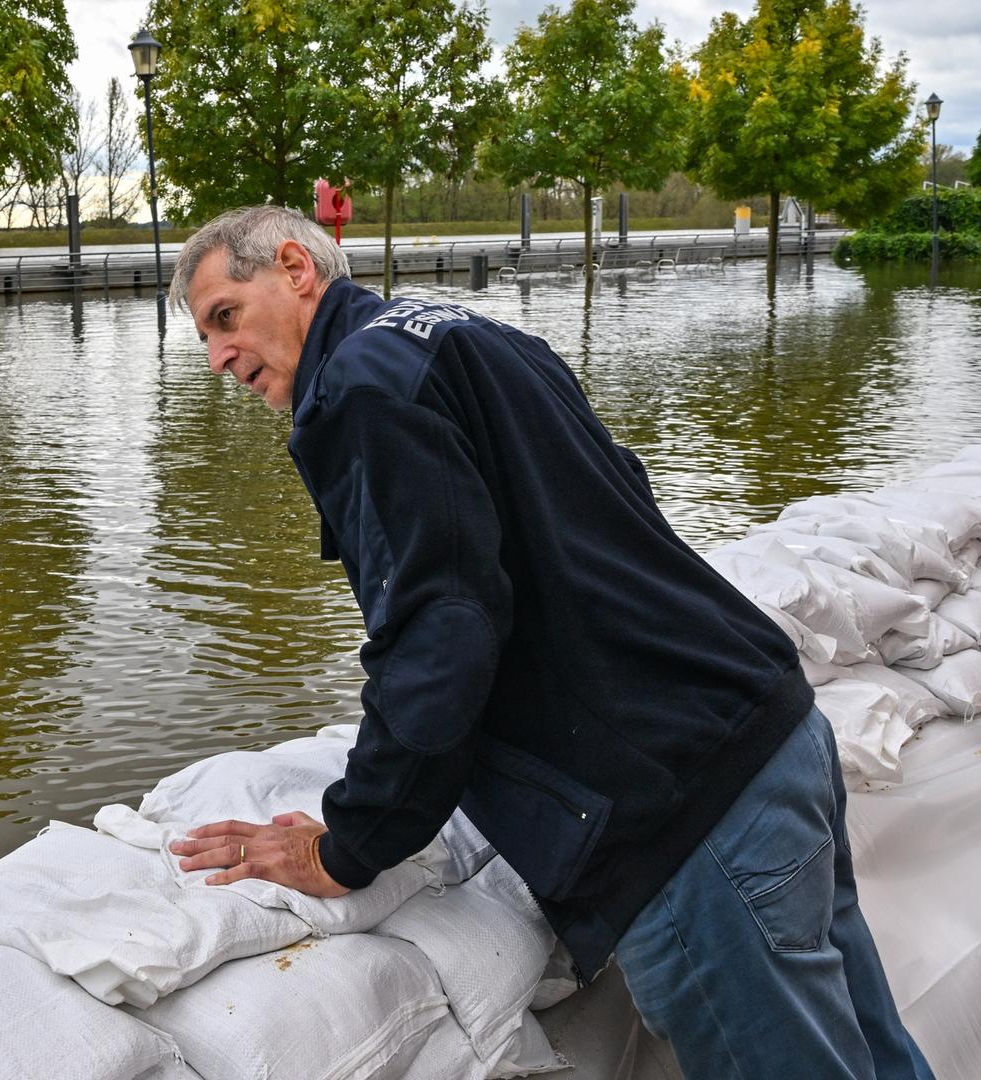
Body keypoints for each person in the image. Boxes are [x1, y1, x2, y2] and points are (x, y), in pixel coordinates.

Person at [162, 205, 933, 1078]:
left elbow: (439, 635)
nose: (221, 356)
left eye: (226, 315)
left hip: (681, 812)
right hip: (770, 730)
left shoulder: (359, 389)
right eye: (205, 339)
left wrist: (349, 844)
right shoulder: (465, 334)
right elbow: (620, 497)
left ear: (297, 269)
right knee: (875, 1053)